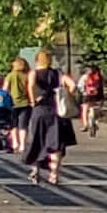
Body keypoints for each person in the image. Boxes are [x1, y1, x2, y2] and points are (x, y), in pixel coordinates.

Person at [20, 58, 69, 187]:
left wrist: (32, 101)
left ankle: (35, 171)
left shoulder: (34, 73)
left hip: (39, 111)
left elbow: (30, 86)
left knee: (37, 139)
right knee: (56, 144)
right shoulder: (57, 73)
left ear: (37, 61)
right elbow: (72, 85)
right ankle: (54, 174)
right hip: (55, 111)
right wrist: (65, 96)